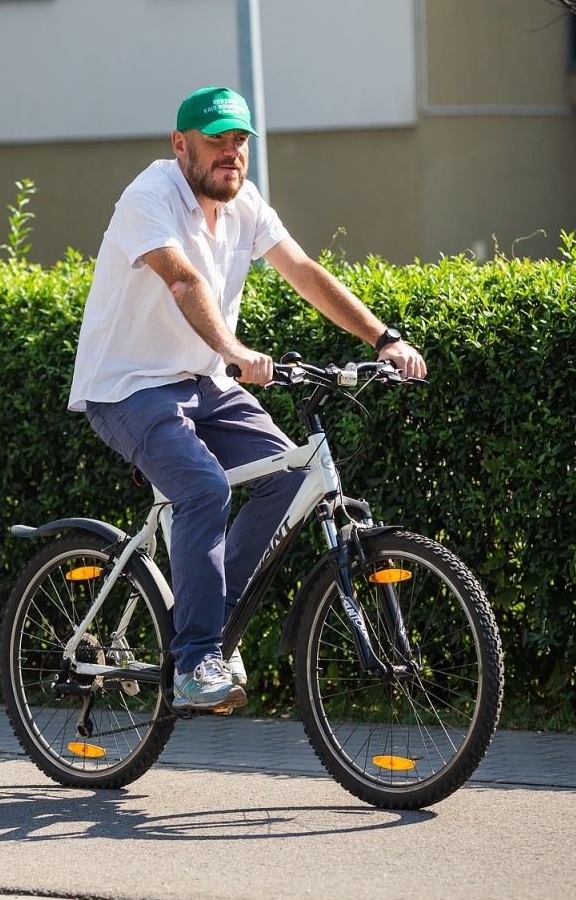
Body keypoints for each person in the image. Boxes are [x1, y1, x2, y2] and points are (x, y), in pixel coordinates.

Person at [68, 87, 427, 712]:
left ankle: (209, 629)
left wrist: (383, 336)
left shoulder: (244, 203)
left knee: (290, 477)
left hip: (205, 380)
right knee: (204, 488)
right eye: (216, 141)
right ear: (181, 145)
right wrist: (234, 349)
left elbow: (303, 269)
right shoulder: (149, 198)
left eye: (240, 142)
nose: (231, 154)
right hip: (128, 385)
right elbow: (182, 280)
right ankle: (195, 661)